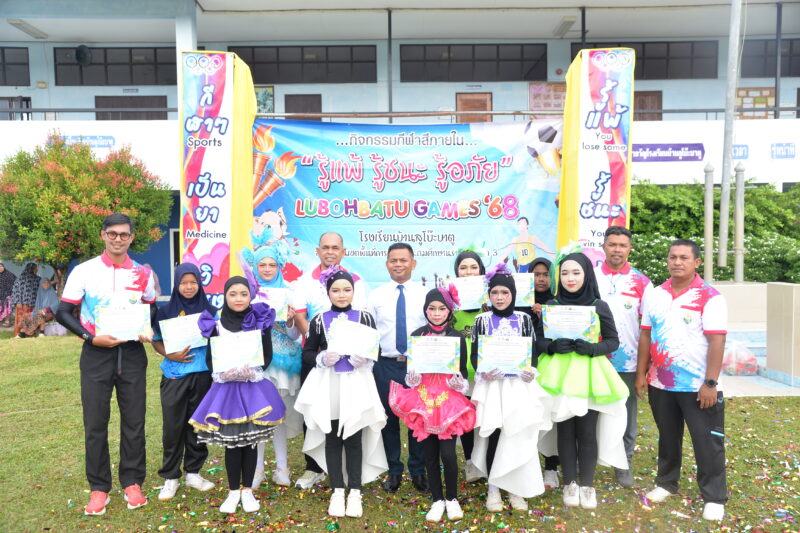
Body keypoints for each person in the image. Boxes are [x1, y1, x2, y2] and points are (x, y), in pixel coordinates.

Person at [55, 213, 156, 516]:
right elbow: (63, 312)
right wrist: (90, 337)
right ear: (103, 235)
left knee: (134, 421)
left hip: (132, 354)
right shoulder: (84, 271)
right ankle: (99, 488)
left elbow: (151, 308)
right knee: (95, 423)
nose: (118, 239)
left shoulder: (142, 273)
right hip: (96, 353)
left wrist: (147, 329)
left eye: (124, 234)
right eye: (112, 233)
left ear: (131, 238)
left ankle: (132, 482)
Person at [635, 239, 727, 522]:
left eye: (684, 258)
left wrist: (710, 383)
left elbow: (717, 341)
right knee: (668, 437)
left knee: (707, 442)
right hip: (660, 383)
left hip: (698, 386)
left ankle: (714, 497)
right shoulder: (655, 295)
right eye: (672, 257)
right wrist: (641, 374)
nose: (677, 262)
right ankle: (666, 482)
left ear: (696, 262)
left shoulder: (710, 296)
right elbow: (646, 335)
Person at [536, 250, 628, 510]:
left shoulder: (599, 305)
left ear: (586, 274)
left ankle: (587, 485)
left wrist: (594, 348)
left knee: (587, 432)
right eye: (565, 273)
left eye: (576, 272)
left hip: (590, 375)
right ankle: (570, 483)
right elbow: (539, 340)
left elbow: (613, 340)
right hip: (559, 375)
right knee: (565, 430)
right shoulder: (552, 304)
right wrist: (552, 346)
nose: (570, 278)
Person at [294, 266, 387, 518]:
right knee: (333, 436)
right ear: (328, 293)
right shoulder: (319, 319)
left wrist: (365, 359)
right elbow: (308, 352)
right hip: (330, 384)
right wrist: (322, 357)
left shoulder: (365, 317)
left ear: (354, 291)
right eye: (336, 290)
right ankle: (337, 489)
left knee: (354, 436)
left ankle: (354, 491)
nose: (342, 294)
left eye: (347, 289)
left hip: (356, 383)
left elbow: (375, 349)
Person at [189, 276, 285, 514]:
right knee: (232, 444)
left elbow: (266, 356)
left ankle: (247, 490)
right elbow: (211, 358)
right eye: (233, 294)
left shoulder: (260, 321)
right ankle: (233, 491)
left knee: (250, 442)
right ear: (225, 296)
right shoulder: (216, 324)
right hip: (227, 390)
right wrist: (223, 373)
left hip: (252, 388)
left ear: (250, 296)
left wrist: (252, 371)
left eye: (244, 294)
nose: (238, 299)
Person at [389, 285, 475, 522]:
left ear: (450, 311)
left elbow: (462, 371)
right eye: (432, 308)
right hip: (424, 399)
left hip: (448, 400)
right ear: (425, 310)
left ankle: (452, 498)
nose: (437, 313)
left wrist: (459, 382)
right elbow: (412, 371)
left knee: (448, 454)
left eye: (441, 309)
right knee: (429, 453)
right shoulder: (417, 335)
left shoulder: (458, 337)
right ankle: (437, 499)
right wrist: (412, 379)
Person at [470, 263, 551, 512]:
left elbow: (532, 354)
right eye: (494, 292)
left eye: (505, 292)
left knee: (517, 433)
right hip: (492, 387)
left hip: (518, 386)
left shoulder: (524, 320)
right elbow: (475, 356)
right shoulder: (481, 320)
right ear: (489, 295)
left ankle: (516, 487)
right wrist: (483, 371)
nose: (500, 297)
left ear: (513, 294)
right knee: (494, 433)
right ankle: (493, 487)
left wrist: (530, 371)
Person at [292, 231, 369, 490]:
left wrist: (354, 354)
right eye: (325, 247)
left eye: (335, 247)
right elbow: (301, 318)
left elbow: (363, 323)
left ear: (343, 251)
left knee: (351, 418)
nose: (330, 252)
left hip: (351, 368)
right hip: (319, 361)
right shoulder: (303, 282)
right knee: (317, 416)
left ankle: (349, 472)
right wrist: (324, 348)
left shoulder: (358, 281)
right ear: (318, 250)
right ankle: (314, 468)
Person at [151, 264, 217, 501]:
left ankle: (193, 472)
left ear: (200, 283)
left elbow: (218, 341)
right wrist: (170, 354)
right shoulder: (165, 312)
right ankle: (170, 476)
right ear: (176, 284)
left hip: (203, 376)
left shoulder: (210, 311)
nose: (189, 287)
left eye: (193, 282)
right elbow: (156, 340)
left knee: (197, 426)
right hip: (175, 376)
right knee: (173, 427)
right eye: (183, 283)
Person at [241, 242, 304, 488]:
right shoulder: (247, 292)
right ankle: (257, 469)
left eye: (272, 265)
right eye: (262, 265)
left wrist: (289, 321)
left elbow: (295, 335)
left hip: (283, 363)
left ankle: (282, 467)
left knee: (279, 415)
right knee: (258, 415)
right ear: (255, 267)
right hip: (257, 361)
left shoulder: (289, 292)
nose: (267, 269)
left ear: (279, 266)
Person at [368, 242, 429, 493]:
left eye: (403, 260)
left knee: (418, 419)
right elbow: (370, 332)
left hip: (417, 366)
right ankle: (393, 470)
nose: (398, 264)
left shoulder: (426, 294)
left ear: (413, 263)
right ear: (387, 264)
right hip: (386, 365)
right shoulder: (376, 296)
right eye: (393, 260)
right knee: (389, 420)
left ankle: (418, 470)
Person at [594, 227, 652, 487]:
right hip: (593, 359)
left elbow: (647, 329)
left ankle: (623, 464)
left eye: (622, 245)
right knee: (591, 412)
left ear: (630, 249)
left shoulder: (642, 282)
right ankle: (586, 461)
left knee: (626, 416)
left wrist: (643, 369)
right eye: (612, 244)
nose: (617, 249)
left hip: (627, 362)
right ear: (603, 247)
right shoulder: (591, 276)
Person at [450, 250, 485, 482]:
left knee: (485, 417)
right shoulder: (450, 302)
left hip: (486, 372)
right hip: (462, 373)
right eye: (463, 268)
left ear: (481, 270)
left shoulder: (492, 299)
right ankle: (471, 462)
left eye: (473, 267)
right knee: (467, 418)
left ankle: (487, 460)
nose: (468, 272)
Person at [528, 257, 561, 489]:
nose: (540, 279)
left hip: (549, 365)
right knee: (529, 418)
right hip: (524, 368)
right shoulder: (517, 300)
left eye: (545, 274)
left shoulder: (558, 302)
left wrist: (546, 317)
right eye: (536, 274)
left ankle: (551, 467)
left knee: (550, 416)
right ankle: (529, 465)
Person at [11, 262, 40, 338]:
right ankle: (19, 333)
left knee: (31, 318)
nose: (36, 270)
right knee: (21, 318)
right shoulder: (20, 278)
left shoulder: (37, 279)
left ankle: (27, 333)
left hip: (33, 303)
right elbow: (16, 290)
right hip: (22, 304)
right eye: (35, 268)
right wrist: (18, 302)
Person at [0, 262, 16, 327]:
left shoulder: (9, 274)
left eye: (1, 266)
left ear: (4, 267)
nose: (0, 268)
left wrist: (9, 292)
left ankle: (7, 321)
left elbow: (15, 281)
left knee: (7, 307)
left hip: (7, 294)